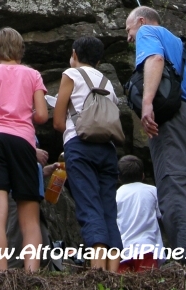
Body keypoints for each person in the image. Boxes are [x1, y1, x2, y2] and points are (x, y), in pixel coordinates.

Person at [125, 6, 186, 262]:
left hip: (171, 118)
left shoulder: (147, 31)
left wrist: (147, 102)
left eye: (128, 30)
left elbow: (155, 60)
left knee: (174, 187)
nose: (129, 37)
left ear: (140, 21)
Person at [0, 27, 48, 272]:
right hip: (23, 142)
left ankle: (1, 272)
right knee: (29, 212)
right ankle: (31, 272)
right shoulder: (33, 75)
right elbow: (43, 116)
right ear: (20, 49)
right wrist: (26, 113)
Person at [53, 36, 123, 272]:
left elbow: (58, 120)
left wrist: (68, 135)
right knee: (108, 209)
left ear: (74, 54)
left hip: (79, 145)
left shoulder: (70, 75)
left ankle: (97, 271)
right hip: (107, 149)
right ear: (99, 59)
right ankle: (113, 272)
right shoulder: (108, 83)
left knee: (88, 205)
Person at [116, 155, 163, 273]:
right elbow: (161, 215)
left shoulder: (116, 195)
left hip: (124, 250)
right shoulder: (152, 191)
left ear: (119, 177)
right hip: (147, 247)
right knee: (148, 283)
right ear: (143, 175)